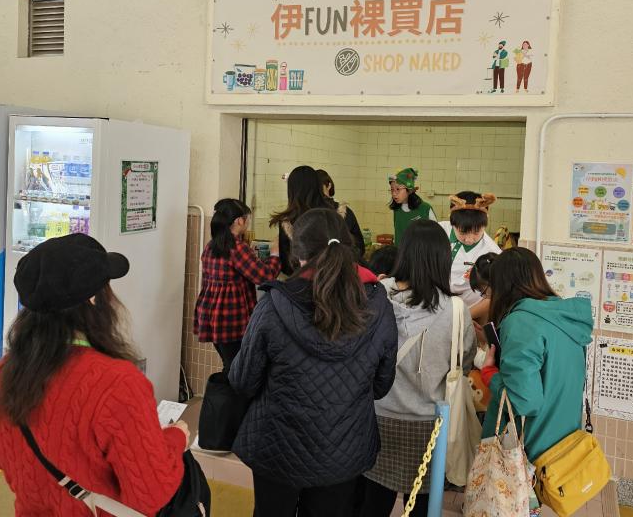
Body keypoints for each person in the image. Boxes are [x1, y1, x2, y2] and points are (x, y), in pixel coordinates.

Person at [0, 234, 189, 515]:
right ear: (93, 299)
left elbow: (1, 457)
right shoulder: (118, 384)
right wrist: (175, 438)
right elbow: (151, 492)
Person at [229, 208, 399, 517]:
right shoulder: (378, 307)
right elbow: (381, 386)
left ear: (298, 254)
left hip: (277, 445)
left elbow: (243, 380)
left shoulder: (274, 305)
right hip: (343, 448)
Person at [359, 219, 477, 517]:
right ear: (443, 259)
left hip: (376, 417)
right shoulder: (456, 310)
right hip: (431, 425)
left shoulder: (375, 295)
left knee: (372, 503)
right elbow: (463, 363)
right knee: (423, 505)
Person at [478, 247, 594, 470]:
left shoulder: (521, 322)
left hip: (530, 450)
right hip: (563, 441)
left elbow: (525, 401)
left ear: (502, 285)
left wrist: (490, 375)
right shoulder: (564, 317)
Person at [194, 198, 281, 378]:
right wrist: (275, 254)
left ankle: (224, 394)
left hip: (213, 317)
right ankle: (225, 396)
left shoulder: (212, 246)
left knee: (230, 365)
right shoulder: (237, 248)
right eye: (247, 218)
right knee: (236, 370)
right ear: (239, 221)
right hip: (232, 318)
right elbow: (265, 276)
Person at [270, 165, 364, 275]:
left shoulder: (288, 221)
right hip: (340, 278)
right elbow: (358, 249)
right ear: (318, 185)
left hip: (303, 281)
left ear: (291, 191)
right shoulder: (342, 212)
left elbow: (287, 265)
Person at [438, 191, 502, 311]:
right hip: (436, 306)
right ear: (452, 223)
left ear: (485, 225)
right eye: (462, 232)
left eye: (477, 232)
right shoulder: (438, 232)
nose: (469, 239)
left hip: (469, 310)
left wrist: (465, 317)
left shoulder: (492, 252)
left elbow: (492, 296)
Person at [388, 167, 436, 243]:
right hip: (401, 250)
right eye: (392, 189)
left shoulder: (425, 209)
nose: (394, 194)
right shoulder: (396, 210)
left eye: (398, 189)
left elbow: (436, 234)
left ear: (409, 190)